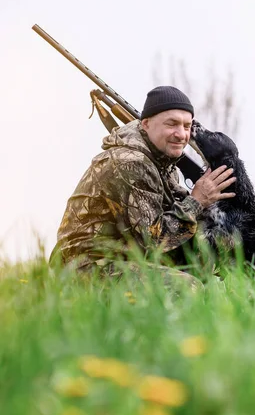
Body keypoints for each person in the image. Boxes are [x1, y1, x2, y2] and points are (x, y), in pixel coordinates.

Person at [50, 86, 236, 287]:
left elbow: (174, 227)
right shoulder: (130, 162)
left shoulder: (163, 164)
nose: (181, 134)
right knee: (187, 288)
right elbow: (152, 240)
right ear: (146, 124)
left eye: (186, 126)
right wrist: (197, 200)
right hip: (86, 265)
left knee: (214, 250)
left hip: (126, 257)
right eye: (172, 124)